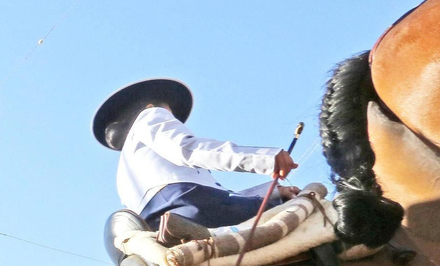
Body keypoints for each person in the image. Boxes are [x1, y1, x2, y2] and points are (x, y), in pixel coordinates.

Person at [96, 78, 300, 243]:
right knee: (301, 208)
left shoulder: (127, 167)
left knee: (275, 202)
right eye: (169, 112)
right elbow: (186, 150)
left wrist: (273, 191)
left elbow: (224, 198)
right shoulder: (150, 116)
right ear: (149, 106)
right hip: (193, 206)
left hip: (160, 221)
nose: (171, 120)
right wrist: (266, 158)